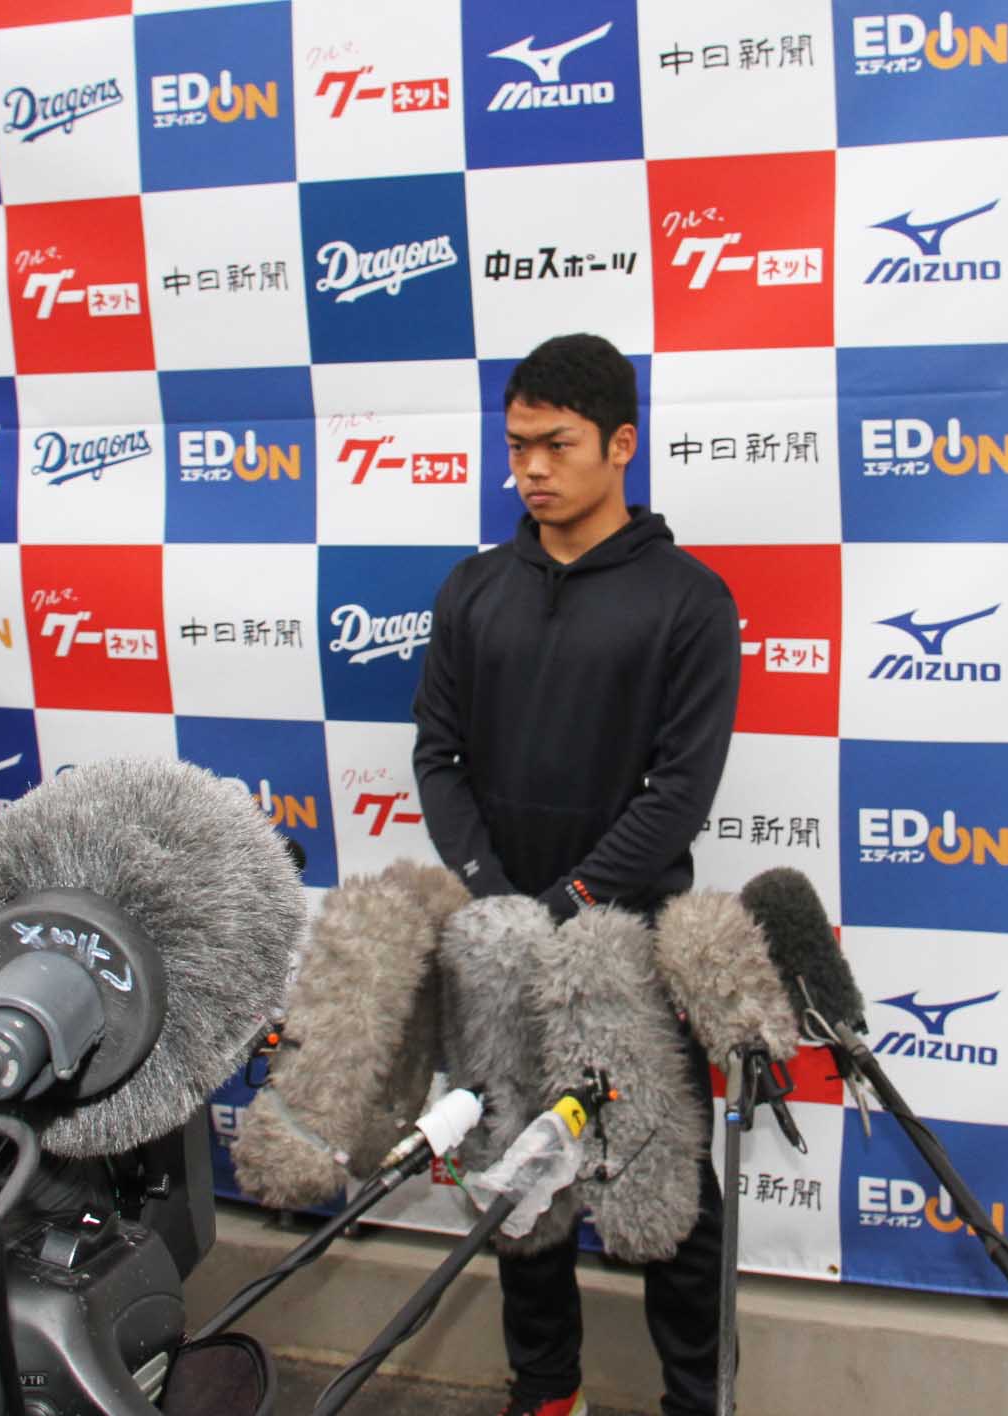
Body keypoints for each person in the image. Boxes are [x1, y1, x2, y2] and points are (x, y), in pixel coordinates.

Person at [411, 333, 741, 1416]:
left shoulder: (689, 602)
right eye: (516, 448)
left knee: (667, 1194)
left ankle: (696, 1400)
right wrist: (500, 899)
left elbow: (676, 794)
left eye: (556, 445)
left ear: (620, 445)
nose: (532, 470)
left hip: (631, 945)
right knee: (522, 1185)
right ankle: (544, 1392)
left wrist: (570, 905)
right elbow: (438, 756)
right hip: (500, 935)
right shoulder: (470, 591)